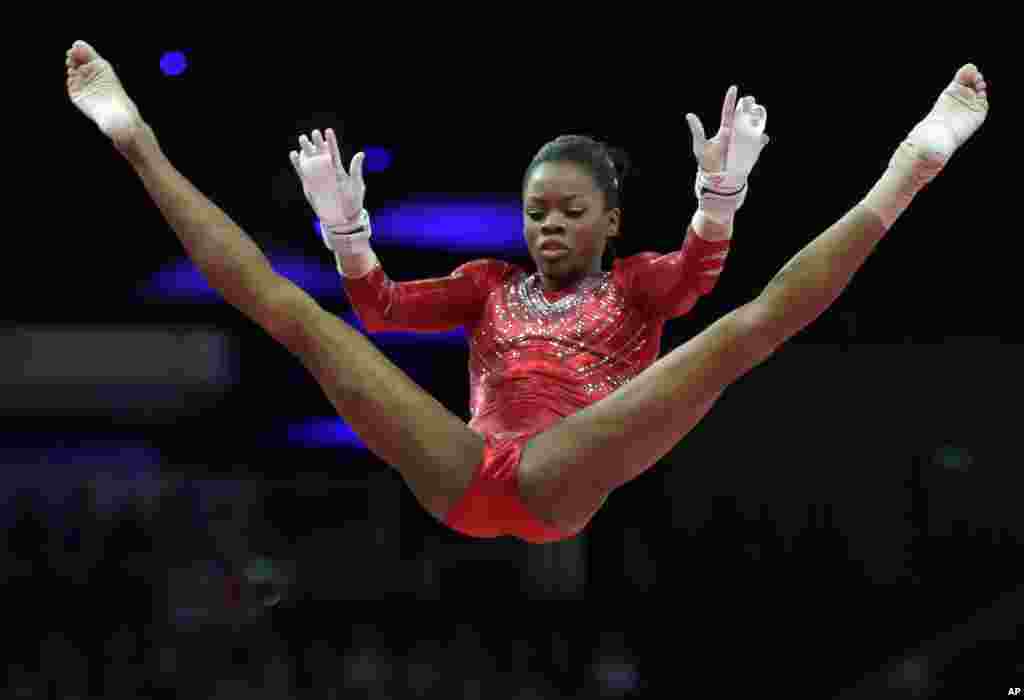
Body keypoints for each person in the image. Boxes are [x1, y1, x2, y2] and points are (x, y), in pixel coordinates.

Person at [67, 41, 988, 545]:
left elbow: (705, 283)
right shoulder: (486, 284)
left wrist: (721, 195)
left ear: (611, 221)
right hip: (468, 474)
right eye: (535, 210)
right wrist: (347, 237)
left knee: (750, 331)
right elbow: (378, 312)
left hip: (561, 477)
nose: (547, 224)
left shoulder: (639, 284)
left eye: (570, 211)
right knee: (296, 319)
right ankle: (135, 139)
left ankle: (912, 165)